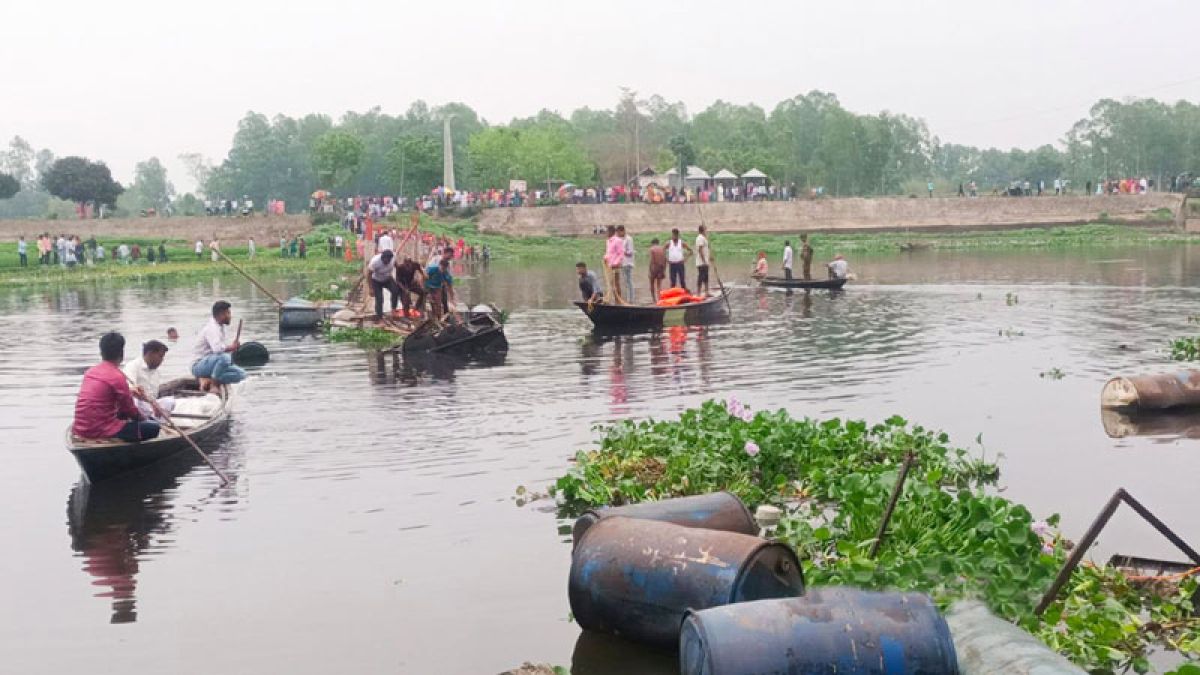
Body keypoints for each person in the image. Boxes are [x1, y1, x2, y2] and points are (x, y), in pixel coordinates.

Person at [73, 332, 160, 443]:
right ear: (121, 353)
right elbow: (130, 410)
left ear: (101, 352)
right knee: (154, 428)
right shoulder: (117, 376)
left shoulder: (90, 372)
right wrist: (144, 419)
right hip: (103, 430)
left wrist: (130, 391)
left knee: (123, 414)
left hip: (80, 429)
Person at [191, 301, 246, 392]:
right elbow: (217, 350)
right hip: (198, 366)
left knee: (242, 374)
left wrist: (232, 347)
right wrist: (232, 347)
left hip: (212, 364)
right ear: (221, 315)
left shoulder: (220, 327)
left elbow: (221, 350)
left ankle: (209, 379)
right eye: (228, 313)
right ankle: (214, 384)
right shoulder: (212, 328)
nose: (230, 316)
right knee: (225, 358)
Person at [123, 340, 175, 419]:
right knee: (134, 401)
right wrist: (151, 402)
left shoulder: (156, 372)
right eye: (160, 356)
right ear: (150, 354)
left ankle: (158, 422)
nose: (162, 360)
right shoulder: (132, 366)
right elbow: (130, 390)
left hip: (150, 406)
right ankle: (140, 421)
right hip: (138, 405)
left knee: (170, 401)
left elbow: (153, 396)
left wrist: (154, 404)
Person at [366, 249, 402, 321]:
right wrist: (370, 288)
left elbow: (397, 266)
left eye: (388, 261)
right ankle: (379, 317)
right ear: (382, 258)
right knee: (379, 298)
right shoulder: (375, 262)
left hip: (387, 279)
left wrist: (398, 279)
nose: (386, 262)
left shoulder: (393, 258)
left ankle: (393, 310)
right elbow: (369, 275)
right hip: (376, 281)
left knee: (395, 291)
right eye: (385, 261)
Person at [424, 255, 457, 321]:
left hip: (437, 288)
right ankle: (431, 317)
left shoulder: (446, 274)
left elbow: (450, 287)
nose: (442, 270)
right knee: (431, 302)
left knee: (438, 304)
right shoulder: (432, 268)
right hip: (428, 287)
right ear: (439, 265)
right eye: (441, 268)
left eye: (444, 269)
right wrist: (426, 291)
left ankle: (438, 319)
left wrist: (452, 299)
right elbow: (423, 277)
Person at [619, 225, 635, 303]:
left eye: (619, 232)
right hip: (623, 264)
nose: (618, 234)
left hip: (628, 263)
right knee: (626, 282)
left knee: (629, 282)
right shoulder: (622, 239)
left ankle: (631, 300)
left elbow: (630, 252)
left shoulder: (629, 239)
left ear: (623, 231)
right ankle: (629, 300)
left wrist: (622, 251)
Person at [694, 225, 711, 295]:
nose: (706, 231)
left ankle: (707, 292)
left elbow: (706, 249)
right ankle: (698, 293)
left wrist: (709, 258)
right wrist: (704, 261)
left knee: (706, 277)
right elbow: (700, 250)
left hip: (705, 261)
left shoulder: (704, 238)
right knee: (701, 277)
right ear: (703, 230)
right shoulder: (700, 238)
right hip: (701, 262)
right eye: (705, 230)